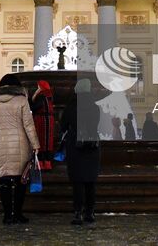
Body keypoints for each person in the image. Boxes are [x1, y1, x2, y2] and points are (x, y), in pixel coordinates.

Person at [0, 73, 40, 225]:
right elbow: (28, 125)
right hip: (20, 143)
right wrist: (36, 145)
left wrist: (1, 125)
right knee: (21, 180)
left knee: (4, 181)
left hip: (1, 143)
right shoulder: (22, 100)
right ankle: (18, 214)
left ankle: (7, 215)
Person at [60, 78, 102, 225]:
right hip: (92, 147)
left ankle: (78, 213)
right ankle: (90, 212)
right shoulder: (95, 107)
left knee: (77, 182)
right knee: (90, 182)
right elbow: (96, 125)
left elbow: (63, 126)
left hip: (75, 147)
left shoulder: (71, 107)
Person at [31, 80, 57, 170]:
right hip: (49, 119)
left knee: (41, 140)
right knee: (48, 141)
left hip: (42, 120)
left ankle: (42, 163)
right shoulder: (49, 95)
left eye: (38, 86)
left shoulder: (41, 95)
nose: (37, 88)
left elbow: (34, 107)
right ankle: (48, 163)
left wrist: (33, 97)